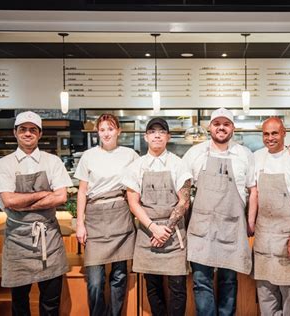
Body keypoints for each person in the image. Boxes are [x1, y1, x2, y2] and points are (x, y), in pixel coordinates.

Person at [0, 111, 73, 315]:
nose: (28, 133)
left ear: (40, 134)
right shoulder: (4, 164)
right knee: (19, 303)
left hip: (49, 240)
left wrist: (21, 203)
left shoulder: (52, 161)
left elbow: (61, 197)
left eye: (32, 130)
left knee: (50, 303)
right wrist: (45, 194)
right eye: (23, 129)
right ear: (15, 132)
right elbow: (8, 200)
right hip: (17, 241)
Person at [182, 107, 257, 316]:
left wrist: (250, 221)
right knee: (201, 281)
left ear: (232, 128)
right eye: (217, 124)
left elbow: (253, 189)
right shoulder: (195, 153)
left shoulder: (245, 154)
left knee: (229, 281)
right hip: (202, 228)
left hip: (232, 227)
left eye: (226, 124)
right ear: (209, 127)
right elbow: (183, 188)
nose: (221, 128)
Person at [123, 117, 192, 316]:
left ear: (168, 137)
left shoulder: (178, 164)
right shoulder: (136, 167)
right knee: (152, 287)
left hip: (173, 233)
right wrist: (154, 228)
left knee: (177, 287)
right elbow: (133, 202)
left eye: (161, 132)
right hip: (147, 233)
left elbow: (184, 201)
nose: (157, 135)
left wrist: (166, 230)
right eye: (152, 132)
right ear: (146, 137)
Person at [74, 113, 138, 316]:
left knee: (119, 277)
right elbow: (82, 192)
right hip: (95, 218)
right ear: (97, 132)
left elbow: (138, 185)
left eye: (110, 129)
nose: (106, 133)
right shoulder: (88, 156)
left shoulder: (130, 155)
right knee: (95, 281)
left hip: (120, 214)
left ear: (118, 131)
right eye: (102, 130)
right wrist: (80, 224)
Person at [250, 117, 290, 315]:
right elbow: (254, 193)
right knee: (266, 296)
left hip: (287, 237)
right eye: (266, 134)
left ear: (284, 133)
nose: (270, 138)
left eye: (274, 133)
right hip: (264, 238)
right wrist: (250, 223)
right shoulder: (257, 157)